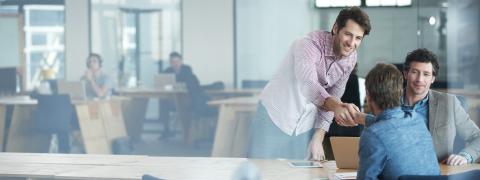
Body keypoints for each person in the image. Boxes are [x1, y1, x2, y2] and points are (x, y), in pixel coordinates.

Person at [248, 6, 371, 160]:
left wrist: (318, 138)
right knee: (259, 170)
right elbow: (308, 85)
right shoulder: (308, 45)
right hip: (275, 118)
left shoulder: (350, 59)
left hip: (302, 127)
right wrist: (337, 106)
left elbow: (334, 96)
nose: (351, 43)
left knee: (294, 174)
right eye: (348, 34)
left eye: (358, 38)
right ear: (335, 28)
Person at [351, 48, 480, 166]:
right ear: (405, 74)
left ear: (433, 78)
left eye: (426, 74)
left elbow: (477, 137)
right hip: (397, 171)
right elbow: (382, 126)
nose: (419, 79)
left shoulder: (449, 103)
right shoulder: (389, 101)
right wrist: (358, 117)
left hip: (437, 171)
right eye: (415, 72)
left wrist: (465, 156)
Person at [357, 63, 439, 180]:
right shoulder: (416, 120)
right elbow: (391, 123)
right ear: (400, 92)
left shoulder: (373, 135)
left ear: (368, 96)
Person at [158, 52, 211, 139]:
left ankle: (186, 133)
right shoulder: (168, 71)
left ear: (181, 61)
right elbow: (162, 83)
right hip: (173, 98)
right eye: (172, 62)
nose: (175, 64)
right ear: (170, 63)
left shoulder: (187, 69)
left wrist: (175, 85)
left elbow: (188, 83)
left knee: (181, 105)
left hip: (187, 98)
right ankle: (166, 129)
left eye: (177, 61)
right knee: (163, 102)